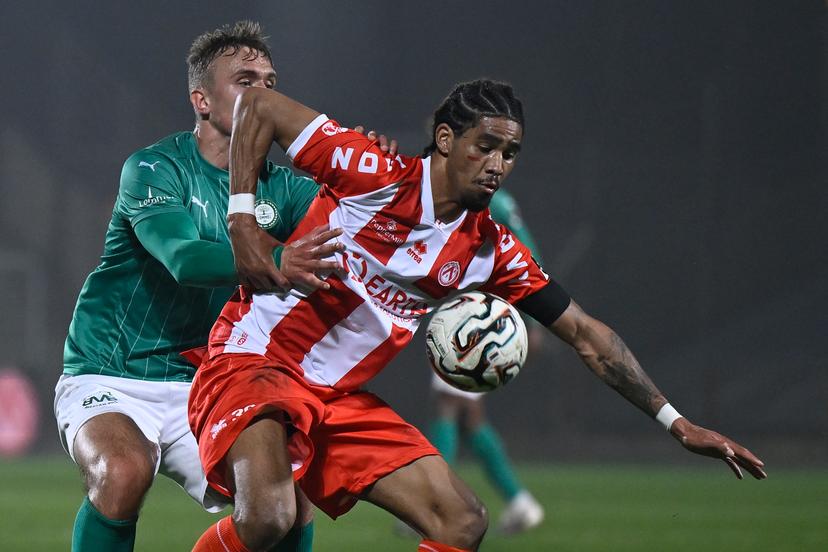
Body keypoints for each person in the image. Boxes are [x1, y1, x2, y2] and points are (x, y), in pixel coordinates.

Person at [187, 79, 766, 552]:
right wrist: (243, 224)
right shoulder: (373, 172)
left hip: (335, 399)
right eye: (485, 145)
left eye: (510, 153)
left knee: (460, 521)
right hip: (255, 359)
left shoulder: (490, 250)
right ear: (444, 139)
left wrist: (677, 422)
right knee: (268, 518)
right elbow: (258, 106)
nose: (497, 164)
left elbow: (589, 337)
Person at [54, 21, 396, 552]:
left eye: (269, 80)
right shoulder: (155, 167)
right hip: (114, 372)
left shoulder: (283, 189)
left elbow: (360, 232)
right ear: (202, 100)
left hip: (206, 381)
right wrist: (280, 256)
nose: (262, 92)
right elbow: (184, 259)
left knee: (287, 497)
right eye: (244, 80)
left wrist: (372, 182)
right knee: (122, 472)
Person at [423, 188, 547, 536]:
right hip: (477, 316)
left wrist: (535, 321)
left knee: (448, 405)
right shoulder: (488, 197)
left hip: (477, 325)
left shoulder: (488, 200)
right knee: (470, 418)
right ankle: (520, 502)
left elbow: (528, 254)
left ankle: (432, 500)